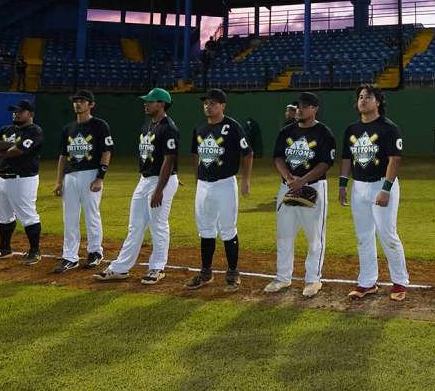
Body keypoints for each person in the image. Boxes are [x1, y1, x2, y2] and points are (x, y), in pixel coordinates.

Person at [95, 88, 180, 285]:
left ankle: (156, 268)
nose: (146, 103)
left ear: (161, 104)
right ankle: (120, 268)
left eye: (150, 101)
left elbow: (169, 160)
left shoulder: (169, 128)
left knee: (158, 225)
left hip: (160, 181)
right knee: (135, 226)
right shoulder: (147, 126)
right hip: (145, 180)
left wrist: (160, 189)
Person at [339, 84, 409, 301]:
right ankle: (367, 282)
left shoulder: (389, 128)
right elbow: (346, 159)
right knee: (363, 237)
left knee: (387, 234)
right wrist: (343, 185)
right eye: (360, 97)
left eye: (368, 97)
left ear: (378, 102)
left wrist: (386, 189)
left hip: (382, 184)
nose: (363, 100)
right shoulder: (352, 130)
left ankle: (399, 282)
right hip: (358, 186)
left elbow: (394, 160)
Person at [265, 92, 336, 297]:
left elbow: (325, 163)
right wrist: (289, 178)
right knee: (284, 234)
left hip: (313, 188)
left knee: (314, 236)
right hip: (287, 187)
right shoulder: (286, 132)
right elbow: (278, 157)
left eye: (305, 106)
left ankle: (313, 279)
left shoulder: (323, 133)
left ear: (315, 109)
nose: (300, 109)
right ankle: (283, 277)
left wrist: (302, 181)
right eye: (298, 106)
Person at [185, 88, 252, 292]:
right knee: (205, 229)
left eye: (213, 103)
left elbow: (247, 154)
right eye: (205, 103)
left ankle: (232, 272)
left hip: (224, 183)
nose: (208, 106)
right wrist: (198, 178)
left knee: (228, 228)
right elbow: (195, 153)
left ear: (222, 105)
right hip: (204, 185)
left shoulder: (232, 127)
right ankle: (206, 273)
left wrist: (245, 180)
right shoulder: (200, 128)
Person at [52, 90, 114, 273]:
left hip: (91, 174)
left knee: (91, 214)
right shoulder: (68, 129)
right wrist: (58, 181)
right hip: (70, 176)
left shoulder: (100, 125)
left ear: (91, 104)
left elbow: (106, 151)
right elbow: (63, 156)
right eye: (75, 100)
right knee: (69, 217)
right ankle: (70, 256)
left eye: (82, 101)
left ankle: (95, 252)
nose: (78, 103)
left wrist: (100, 177)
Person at [0, 99, 44, 265]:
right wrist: (9, 145)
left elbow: (15, 152)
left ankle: (34, 251)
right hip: (2, 177)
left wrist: (3, 148)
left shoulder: (34, 131)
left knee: (28, 215)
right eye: (14, 111)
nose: (15, 114)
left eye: (20, 111)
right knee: (3, 215)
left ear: (30, 114)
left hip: (23, 179)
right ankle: (4, 248)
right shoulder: (7, 129)